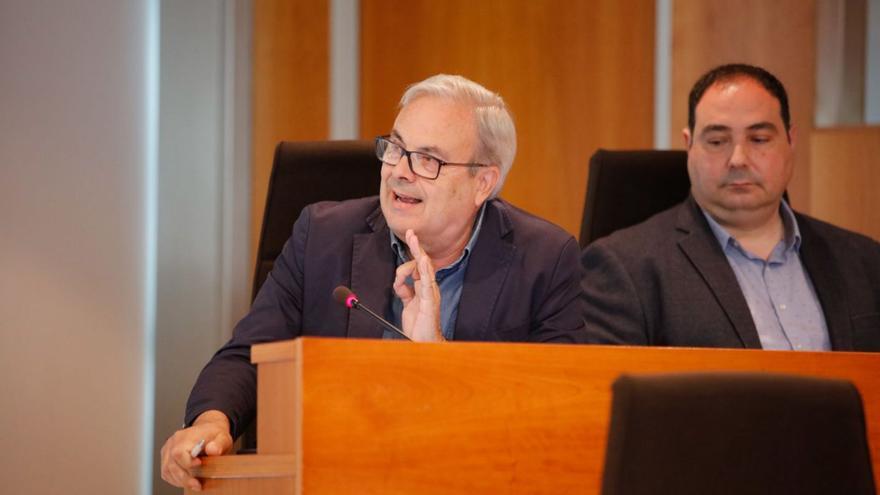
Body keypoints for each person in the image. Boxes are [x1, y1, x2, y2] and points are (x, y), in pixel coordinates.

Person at [161, 74, 585, 490]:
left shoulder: (544, 259)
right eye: (396, 148)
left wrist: (436, 357)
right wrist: (212, 422)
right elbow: (250, 355)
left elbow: (558, 418)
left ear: (483, 183)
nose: (400, 171)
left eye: (428, 160)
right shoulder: (323, 235)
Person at [581, 63, 880, 351]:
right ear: (689, 145)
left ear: (790, 141)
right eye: (717, 141)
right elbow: (609, 395)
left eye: (759, 138)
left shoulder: (865, 262)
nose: (738, 158)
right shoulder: (625, 269)